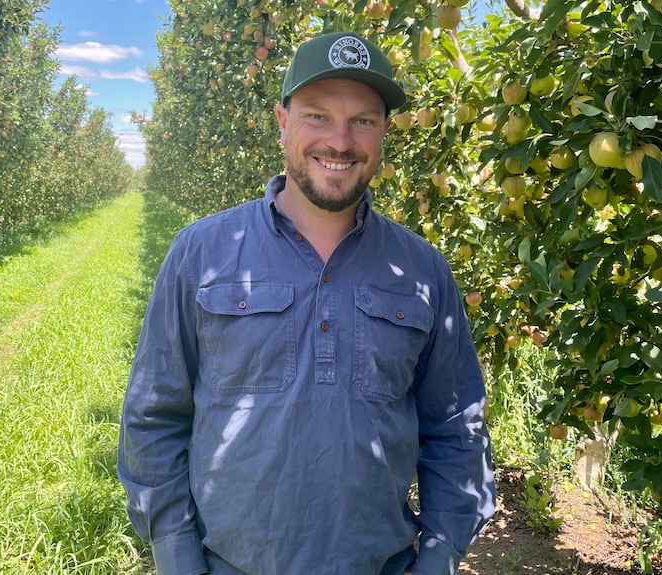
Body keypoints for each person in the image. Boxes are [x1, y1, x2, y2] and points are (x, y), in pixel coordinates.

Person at [117, 31, 496, 575]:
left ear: (384, 132)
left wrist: (440, 554)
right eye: (317, 115)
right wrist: (175, 552)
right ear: (282, 123)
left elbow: (457, 426)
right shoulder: (202, 253)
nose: (340, 140)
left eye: (363, 120)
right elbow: (155, 413)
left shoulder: (421, 271)